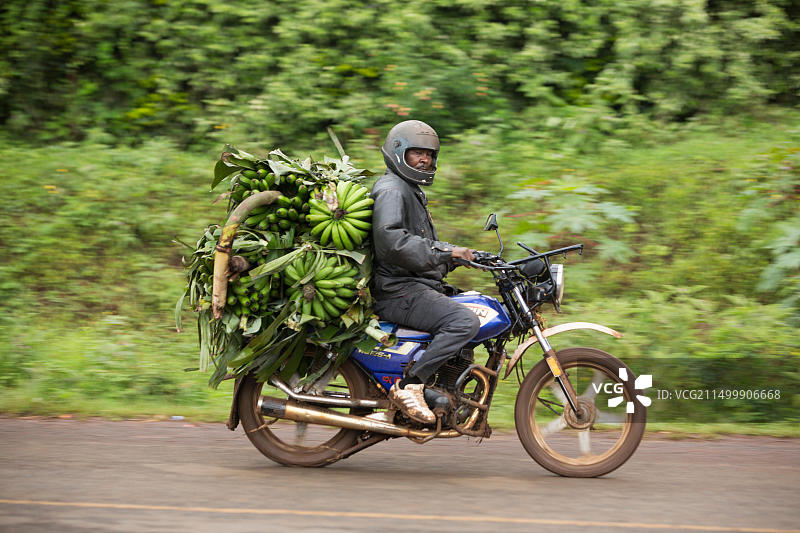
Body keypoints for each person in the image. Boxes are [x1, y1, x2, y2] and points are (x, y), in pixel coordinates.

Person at [370, 120, 480, 424]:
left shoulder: (409, 189)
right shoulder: (393, 189)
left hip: (411, 284)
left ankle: (444, 390)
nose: (425, 160)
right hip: (397, 290)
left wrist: (456, 255)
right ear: (398, 152)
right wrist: (445, 252)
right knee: (463, 322)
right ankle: (408, 387)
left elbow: (421, 245)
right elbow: (392, 243)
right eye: (417, 153)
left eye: (430, 155)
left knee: (475, 305)